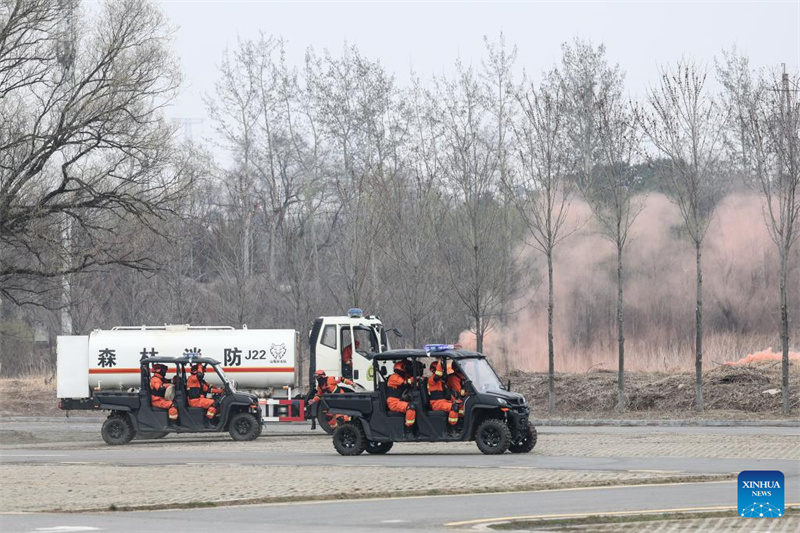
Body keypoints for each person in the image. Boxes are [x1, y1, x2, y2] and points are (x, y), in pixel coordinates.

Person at [427, 360, 461, 430]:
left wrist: (455, 400)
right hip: (436, 403)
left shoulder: (441, 381)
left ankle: (460, 424)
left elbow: (447, 394)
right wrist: (440, 361)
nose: (442, 371)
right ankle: (452, 429)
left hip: (444, 401)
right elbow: (438, 375)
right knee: (454, 407)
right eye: (441, 369)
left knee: (461, 405)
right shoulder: (431, 380)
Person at [386, 359, 416, 432]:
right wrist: (414, 378)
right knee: (411, 407)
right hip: (394, 402)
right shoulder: (394, 377)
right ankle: (408, 430)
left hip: (399, 401)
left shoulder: (401, 377)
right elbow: (405, 383)